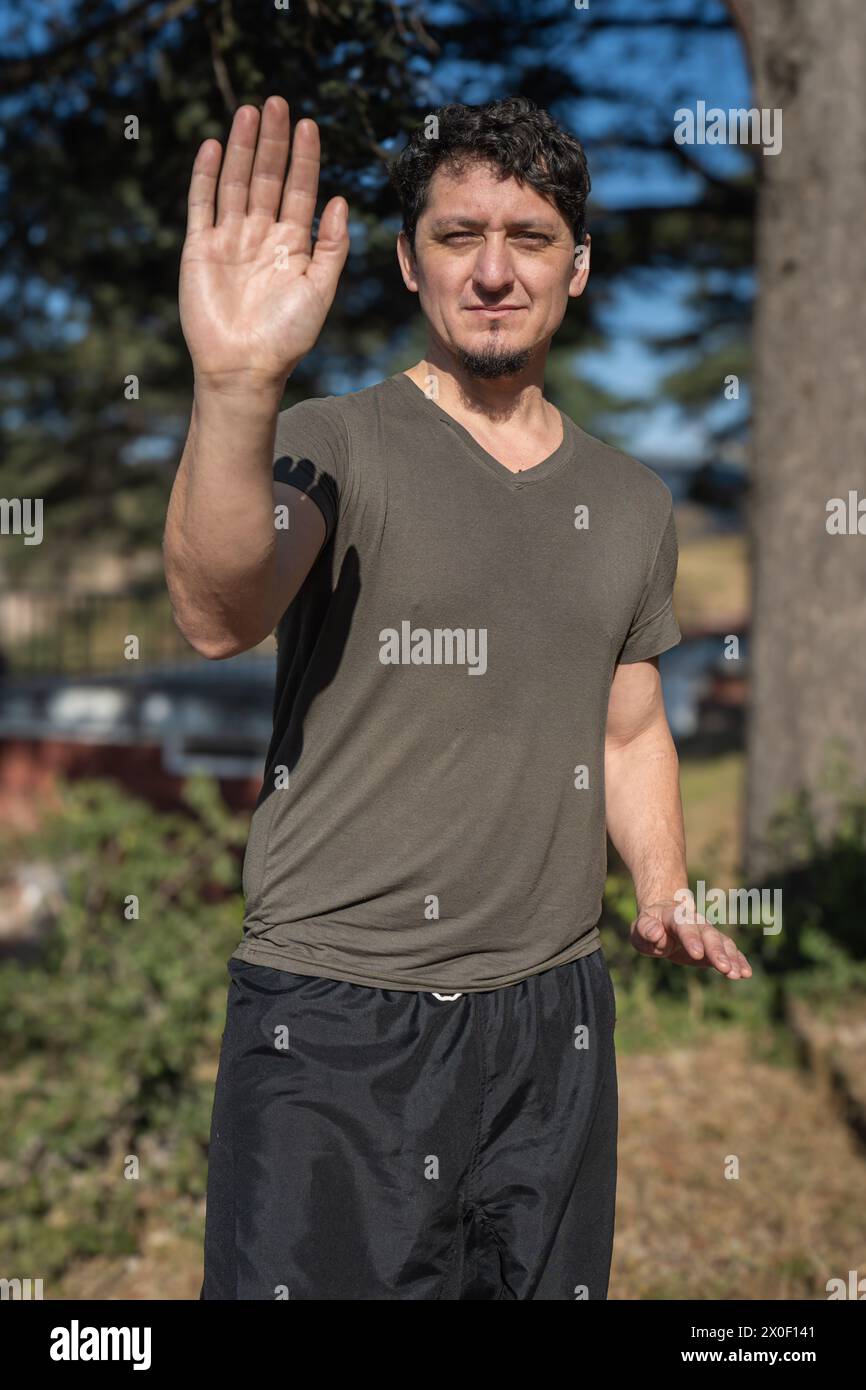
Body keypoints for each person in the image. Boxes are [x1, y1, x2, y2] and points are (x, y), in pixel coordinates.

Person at [164, 93, 752, 1301]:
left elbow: (628, 726)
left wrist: (660, 884)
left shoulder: (631, 502)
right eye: (456, 235)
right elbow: (217, 612)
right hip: (336, 1021)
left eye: (528, 238)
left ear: (576, 266)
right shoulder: (329, 445)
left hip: (552, 1018)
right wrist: (233, 389)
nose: (492, 271)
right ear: (406, 261)